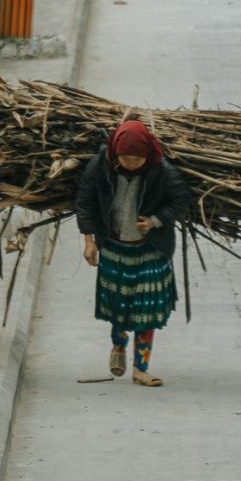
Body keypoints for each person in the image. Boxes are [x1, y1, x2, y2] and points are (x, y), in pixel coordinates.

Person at [75, 119, 190, 387]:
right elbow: (85, 202)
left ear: (148, 155)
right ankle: (119, 344)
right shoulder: (100, 167)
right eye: (126, 158)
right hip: (114, 247)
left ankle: (141, 368)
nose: (131, 164)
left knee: (145, 310)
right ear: (115, 152)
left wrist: (155, 221)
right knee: (118, 306)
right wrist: (89, 241)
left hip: (151, 249)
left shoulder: (162, 171)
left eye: (137, 159)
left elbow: (181, 199)